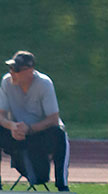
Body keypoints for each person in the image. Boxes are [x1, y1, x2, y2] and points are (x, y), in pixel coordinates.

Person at [0, 51, 69, 191]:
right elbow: (1, 115)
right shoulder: (6, 82)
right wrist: (12, 126)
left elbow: (53, 119)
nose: (12, 72)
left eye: (16, 69)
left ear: (29, 71)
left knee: (59, 135)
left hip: (39, 135)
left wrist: (29, 129)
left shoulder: (44, 83)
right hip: (17, 134)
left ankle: (62, 186)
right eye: (11, 68)